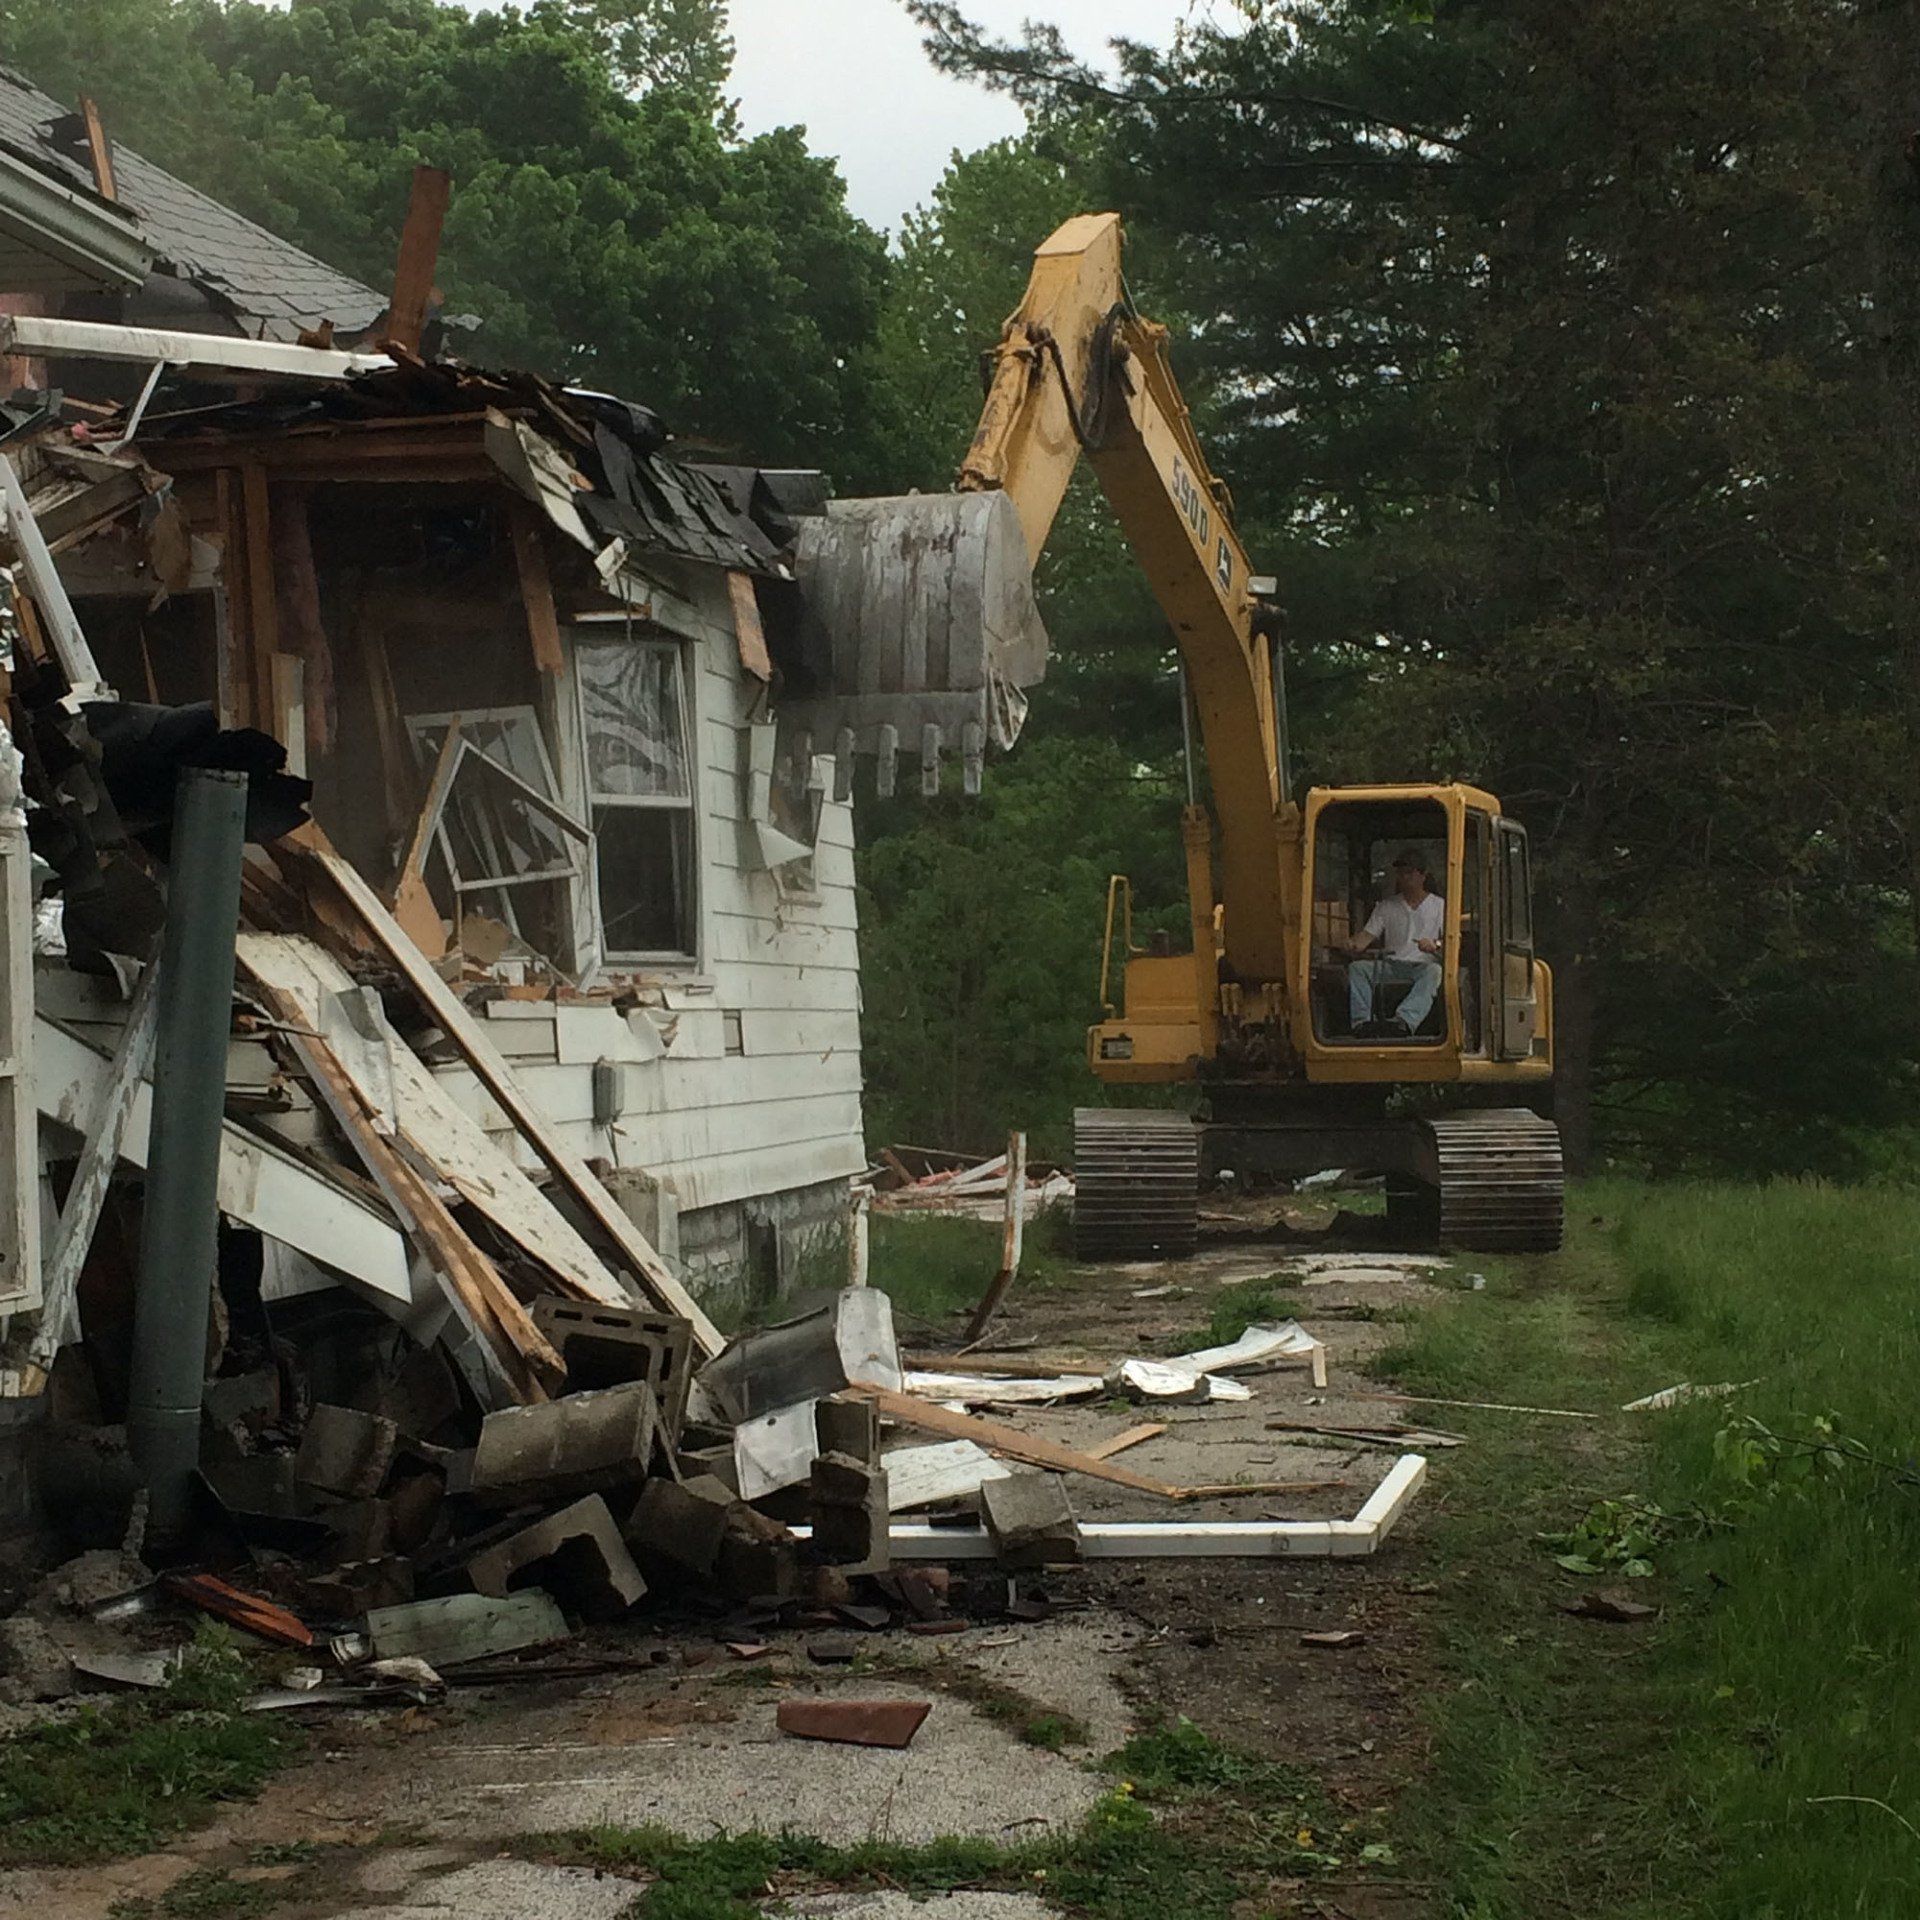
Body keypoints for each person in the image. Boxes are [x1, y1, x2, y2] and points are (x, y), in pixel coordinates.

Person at [1345, 849, 1443, 1037]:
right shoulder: (1386, 906)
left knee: (1435, 972)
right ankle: (1362, 1023)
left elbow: (1453, 941)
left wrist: (1435, 945)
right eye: (1400, 873)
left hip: (1423, 966)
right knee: (1358, 968)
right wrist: (1352, 944)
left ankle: (1404, 1021)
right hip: (1391, 966)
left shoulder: (1440, 906)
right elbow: (1366, 936)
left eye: (1409, 873)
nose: (1404, 878)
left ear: (1422, 875)